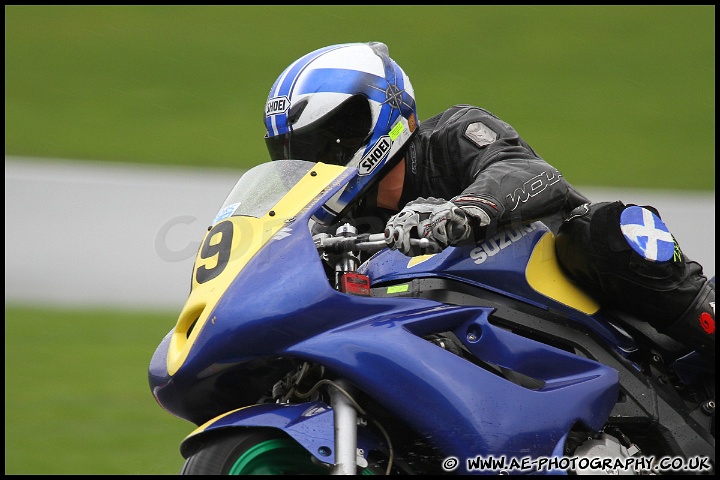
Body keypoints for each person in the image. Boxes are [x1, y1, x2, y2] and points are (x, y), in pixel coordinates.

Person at [262, 41, 714, 361]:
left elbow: (532, 173)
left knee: (605, 230)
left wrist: (465, 210)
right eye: (298, 152)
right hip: (461, 347)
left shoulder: (454, 134)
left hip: (573, 300)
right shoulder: (336, 229)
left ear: (376, 117)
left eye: (326, 143)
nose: (315, 162)